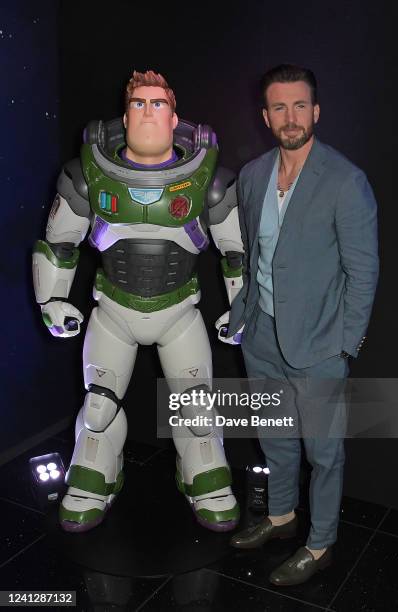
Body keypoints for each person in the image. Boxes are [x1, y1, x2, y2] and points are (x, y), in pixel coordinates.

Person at [32, 69, 244, 533]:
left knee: (198, 407)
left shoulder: (211, 181)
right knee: (99, 404)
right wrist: (51, 299)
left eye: (158, 104)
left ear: (175, 119)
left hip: (179, 313)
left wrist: (239, 306)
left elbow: (236, 253)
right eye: (139, 104)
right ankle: (93, 475)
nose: (148, 112)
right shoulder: (85, 175)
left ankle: (204, 474)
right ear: (123, 118)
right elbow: (58, 245)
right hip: (113, 312)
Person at [216, 64, 379, 585]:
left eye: (300, 105)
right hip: (260, 331)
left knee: (324, 453)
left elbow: (363, 271)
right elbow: (249, 250)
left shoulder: (346, 181)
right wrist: (243, 313)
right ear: (266, 116)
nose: (292, 117)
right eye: (280, 107)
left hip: (320, 345)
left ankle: (321, 543)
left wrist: (345, 344)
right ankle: (281, 517)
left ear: (317, 111)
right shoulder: (253, 175)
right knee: (275, 438)